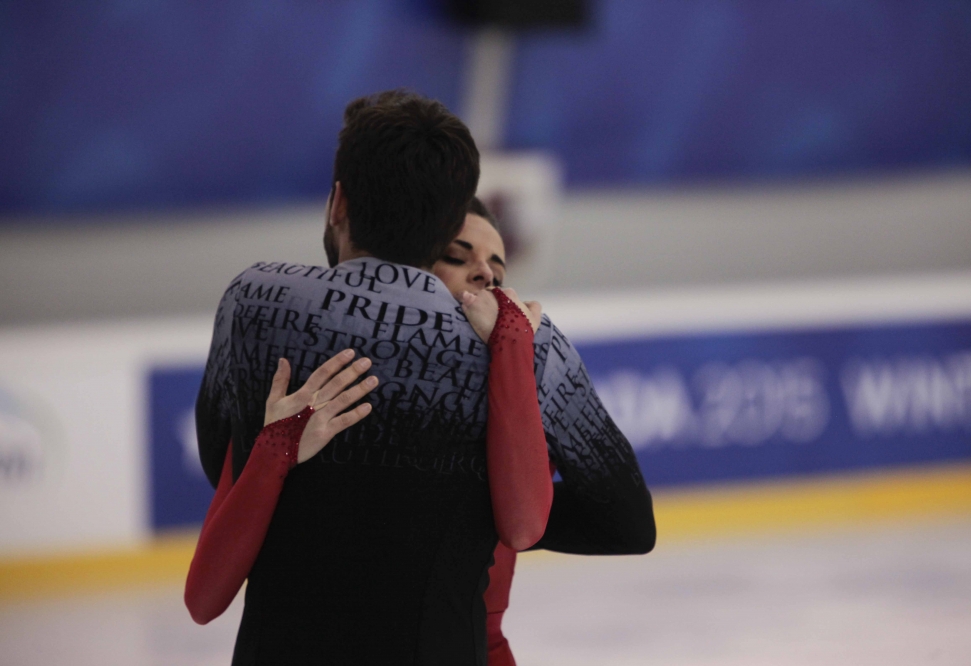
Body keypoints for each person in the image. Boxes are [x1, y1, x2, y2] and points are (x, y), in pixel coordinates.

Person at [193, 91, 655, 664]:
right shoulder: (528, 344)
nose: (484, 275)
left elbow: (224, 463)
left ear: (338, 202)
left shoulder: (255, 300)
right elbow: (626, 525)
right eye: (462, 256)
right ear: (442, 226)